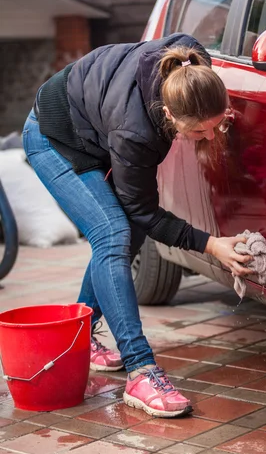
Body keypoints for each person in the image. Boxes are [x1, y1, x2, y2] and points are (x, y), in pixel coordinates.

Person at [22, 33, 253, 419]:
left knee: (127, 231)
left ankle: (79, 338)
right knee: (114, 233)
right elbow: (144, 210)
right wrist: (211, 245)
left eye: (217, 125)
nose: (209, 136)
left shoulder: (193, 66)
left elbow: (142, 213)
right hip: (53, 137)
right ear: (168, 115)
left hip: (95, 129)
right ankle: (141, 371)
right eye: (198, 132)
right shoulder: (136, 131)